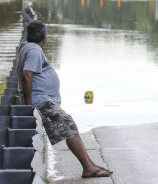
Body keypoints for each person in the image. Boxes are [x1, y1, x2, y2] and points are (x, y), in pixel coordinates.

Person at [18, 20, 113, 178]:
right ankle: (88, 167)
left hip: (44, 100)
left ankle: (90, 164)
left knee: (70, 126)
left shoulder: (29, 47)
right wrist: (29, 103)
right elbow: (27, 74)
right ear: (44, 38)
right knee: (69, 126)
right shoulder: (34, 50)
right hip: (42, 101)